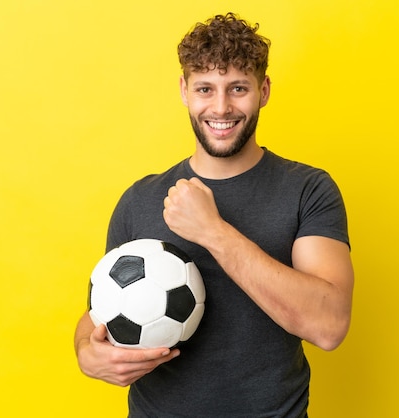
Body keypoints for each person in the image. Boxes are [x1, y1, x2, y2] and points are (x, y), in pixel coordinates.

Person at [74, 12, 354, 417]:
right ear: (185, 90)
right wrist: (86, 350)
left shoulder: (307, 190)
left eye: (238, 88)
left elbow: (328, 326)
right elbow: (102, 306)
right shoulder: (139, 199)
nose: (221, 107)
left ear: (264, 90)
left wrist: (213, 231)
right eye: (206, 88)